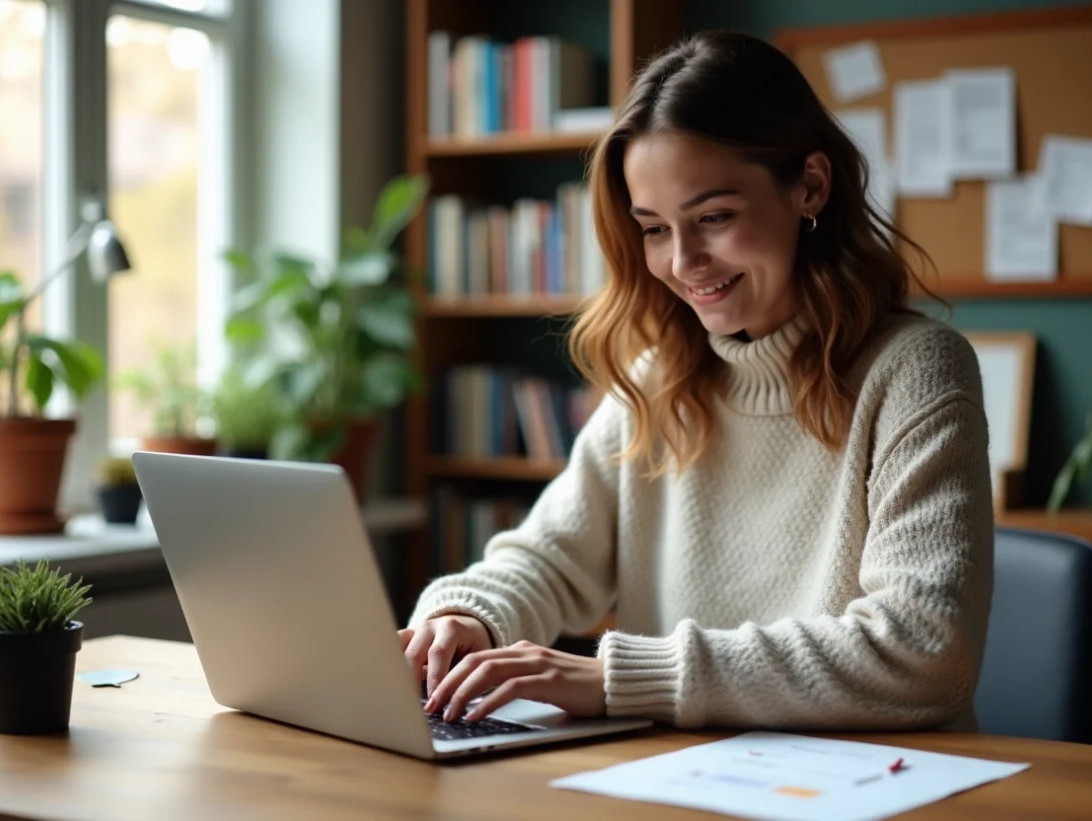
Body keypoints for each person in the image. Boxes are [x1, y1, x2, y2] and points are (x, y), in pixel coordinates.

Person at [401, 30, 993, 733]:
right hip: (676, 781)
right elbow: (551, 557)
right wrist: (466, 612)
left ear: (810, 185)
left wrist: (619, 678)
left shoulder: (916, 370)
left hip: (867, 787)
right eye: (654, 228)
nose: (684, 262)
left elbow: (926, 648)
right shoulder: (660, 380)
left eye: (714, 217)